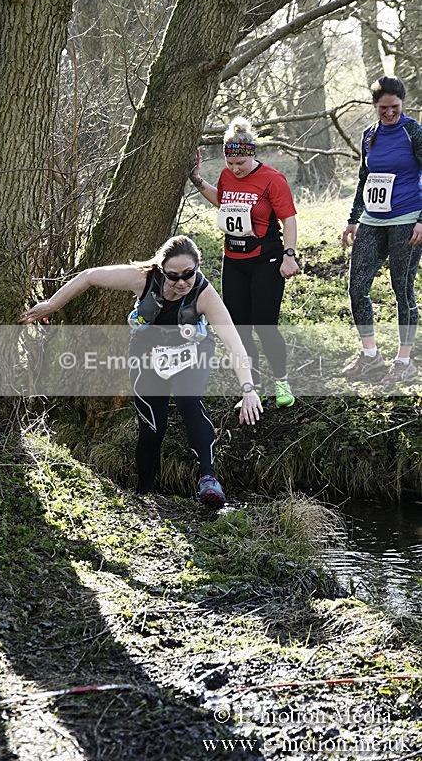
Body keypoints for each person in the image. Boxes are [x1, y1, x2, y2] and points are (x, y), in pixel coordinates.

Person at [18, 235, 262, 508]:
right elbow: (88, 276)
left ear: (197, 268)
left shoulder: (204, 294)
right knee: (152, 428)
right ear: (161, 270)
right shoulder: (141, 279)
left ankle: (208, 479)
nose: (181, 283)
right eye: (173, 276)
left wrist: (248, 389)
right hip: (148, 353)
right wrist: (51, 305)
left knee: (188, 400)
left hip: (192, 351)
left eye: (188, 275)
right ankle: (144, 493)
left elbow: (233, 342)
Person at [189, 116, 299, 408]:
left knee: (265, 325)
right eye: (230, 163)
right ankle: (254, 386)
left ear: (252, 154)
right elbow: (223, 202)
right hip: (234, 260)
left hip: (267, 258)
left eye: (241, 163)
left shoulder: (273, 179)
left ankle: (281, 381)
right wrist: (198, 180)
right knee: (240, 327)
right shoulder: (227, 177)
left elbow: (288, 219)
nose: (235, 169)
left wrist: (289, 255)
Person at [341, 76, 422, 383]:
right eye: (383, 108)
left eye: (395, 108)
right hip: (372, 221)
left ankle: (404, 361)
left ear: (403, 104)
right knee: (357, 287)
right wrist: (353, 219)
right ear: (374, 106)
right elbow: (365, 178)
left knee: (403, 291)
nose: (389, 113)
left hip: (406, 219)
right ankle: (370, 356)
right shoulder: (369, 135)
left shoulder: (413, 131)